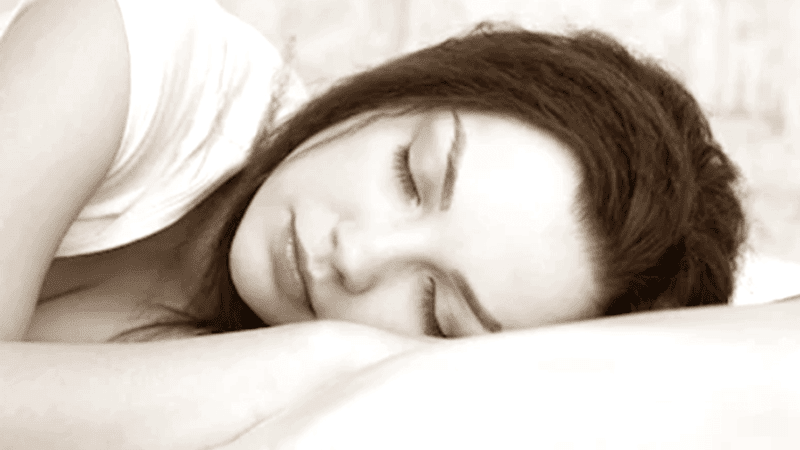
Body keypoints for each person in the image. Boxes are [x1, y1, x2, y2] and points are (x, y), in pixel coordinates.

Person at [4, 0, 780, 447]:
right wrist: (317, 356)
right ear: (409, 90)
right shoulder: (126, 49)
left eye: (437, 312)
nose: (358, 255)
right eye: (412, 174)